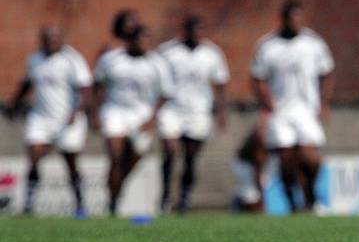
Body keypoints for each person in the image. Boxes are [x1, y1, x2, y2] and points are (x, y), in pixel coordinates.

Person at [251, 2, 335, 212]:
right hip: (280, 110)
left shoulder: (314, 43)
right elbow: (258, 77)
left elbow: (327, 74)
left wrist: (323, 103)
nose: (295, 23)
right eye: (291, 19)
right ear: (283, 19)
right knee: (285, 158)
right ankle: (292, 201)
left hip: (306, 109)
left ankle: (310, 194)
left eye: (299, 18)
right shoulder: (267, 45)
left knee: (311, 158)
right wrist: (266, 101)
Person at [8, 25, 92, 217]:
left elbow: (86, 89)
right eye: (47, 38)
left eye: (54, 38)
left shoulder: (73, 59)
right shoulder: (35, 59)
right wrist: (13, 104)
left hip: (67, 119)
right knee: (34, 156)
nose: (50, 41)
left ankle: (80, 205)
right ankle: (28, 205)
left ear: (61, 39)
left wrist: (76, 111)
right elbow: (27, 83)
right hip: (41, 118)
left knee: (70, 163)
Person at [94, 25, 173, 215]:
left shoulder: (157, 62)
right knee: (115, 156)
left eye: (148, 41)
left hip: (142, 115)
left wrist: (152, 118)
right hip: (115, 111)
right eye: (141, 41)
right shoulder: (112, 59)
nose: (145, 45)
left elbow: (166, 93)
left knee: (131, 161)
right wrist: (95, 112)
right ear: (130, 41)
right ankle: (113, 204)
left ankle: (116, 189)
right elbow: (97, 84)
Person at [157, 15, 229, 212]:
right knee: (171, 151)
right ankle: (164, 195)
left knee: (190, 157)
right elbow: (156, 78)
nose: (197, 34)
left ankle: (184, 197)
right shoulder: (168, 51)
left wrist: (222, 112)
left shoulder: (212, 53)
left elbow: (221, 83)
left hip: (199, 111)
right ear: (185, 31)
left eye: (200, 30)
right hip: (172, 109)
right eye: (193, 30)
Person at [231, 118, 269, 212]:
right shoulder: (259, 140)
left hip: (248, 165)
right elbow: (257, 169)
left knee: (253, 190)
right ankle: (240, 207)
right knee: (252, 194)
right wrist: (261, 195)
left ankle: (238, 204)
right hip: (244, 165)